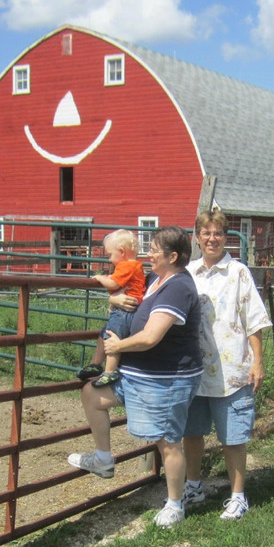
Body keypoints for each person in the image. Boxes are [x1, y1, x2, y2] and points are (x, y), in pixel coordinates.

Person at [67, 226, 203, 528]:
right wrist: (113, 302)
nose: (149, 253)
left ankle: (175, 504)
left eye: (155, 249)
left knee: (167, 441)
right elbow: (127, 297)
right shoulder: (156, 279)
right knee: (92, 394)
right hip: (136, 375)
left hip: (165, 379)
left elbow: (151, 336)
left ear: (173, 256)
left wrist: (117, 346)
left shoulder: (179, 287)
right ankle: (103, 458)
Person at [181, 208, 273, 520]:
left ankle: (237, 495)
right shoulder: (188, 273)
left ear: (225, 237)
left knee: (233, 437)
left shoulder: (238, 272)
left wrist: (257, 362)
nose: (212, 238)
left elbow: (254, 321)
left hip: (232, 371)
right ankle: (194, 486)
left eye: (217, 233)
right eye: (206, 233)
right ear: (197, 237)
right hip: (194, 369)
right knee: (192, 433)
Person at [76, 229, 146, 388]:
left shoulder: (125, 266)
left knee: (112, 337)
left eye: (110, 254)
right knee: (104, 334)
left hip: (123, 311)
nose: (109, 259)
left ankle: (109, 371)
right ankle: (96, 364)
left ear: (121, 252)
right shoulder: (136, 265)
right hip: (127, 309)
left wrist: (100, 278)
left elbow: (114, 284)